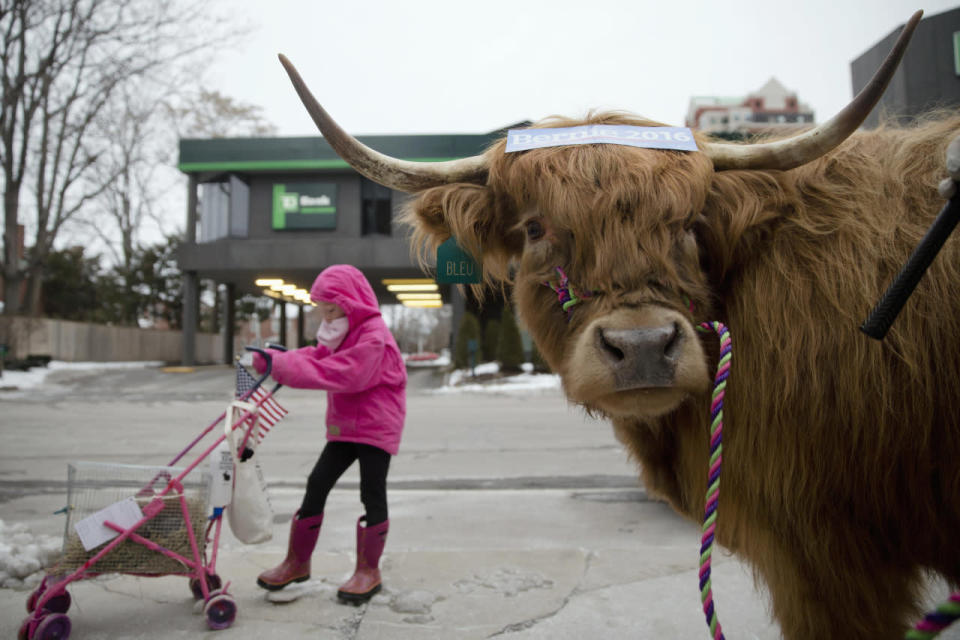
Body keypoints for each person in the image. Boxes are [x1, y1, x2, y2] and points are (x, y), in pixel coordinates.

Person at [252, 264, 407, 604]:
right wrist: (278, 359)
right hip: (345, 425)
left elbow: (344, 372)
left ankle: (369, 570)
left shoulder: (373, 335)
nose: (327, 314)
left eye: (332, 308)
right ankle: (297, 562)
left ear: (352, 302)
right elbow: (316, 355)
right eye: (322, 308)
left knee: (371, 492)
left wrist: (284, 367)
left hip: (376, 424)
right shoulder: (339, 329)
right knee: (317, 482)